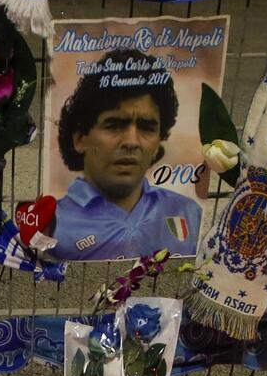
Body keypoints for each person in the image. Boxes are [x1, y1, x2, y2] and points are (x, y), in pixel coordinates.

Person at [51, 52, 204, 262]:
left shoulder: (188, 212)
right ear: (79, 139)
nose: (132, 142)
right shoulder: (55, 222)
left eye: (147, 128)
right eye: (115, 125)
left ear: (159, 141)